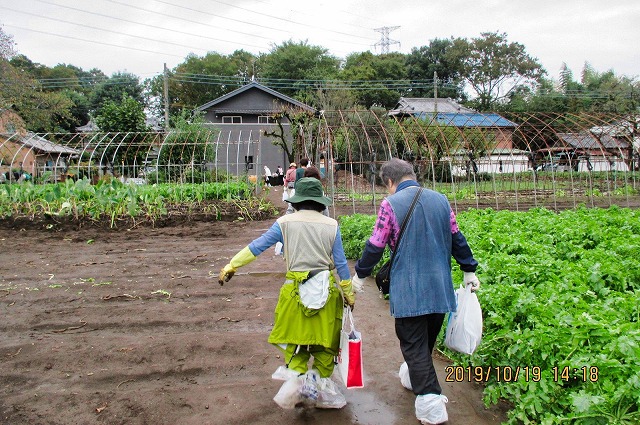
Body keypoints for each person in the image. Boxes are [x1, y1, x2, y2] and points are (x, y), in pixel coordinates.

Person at [352, 158, 480, 425]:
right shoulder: (441, 201)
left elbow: (376, 244)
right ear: (412, 174)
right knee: (424, 343)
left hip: (409, 288)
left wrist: (360, 275)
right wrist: (469, 269)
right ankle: (414, 378)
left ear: (389, 181)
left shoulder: (390, 204)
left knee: (413, 344)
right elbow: (457, 238)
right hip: (439, 287)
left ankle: (431, 404)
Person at [218, 177, 356, 409]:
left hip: (295, 295)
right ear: (320, 202)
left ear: (297, 201)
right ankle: (318, 388)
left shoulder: (284, 223)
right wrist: (348, 293)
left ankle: (300, 387)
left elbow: (258, 246)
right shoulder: (332, 225)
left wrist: (232, 265)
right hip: (326, 293)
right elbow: (341, 265)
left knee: (297, 344)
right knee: (324, 346)